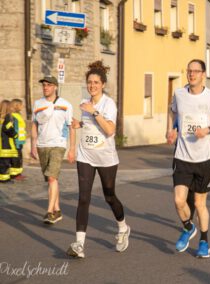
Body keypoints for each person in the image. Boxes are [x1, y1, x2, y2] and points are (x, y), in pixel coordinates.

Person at [66, 61, 130, 259]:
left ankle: (122, 228)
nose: (92, 85)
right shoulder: (85, 103)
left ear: (102, 84)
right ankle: (79, 244)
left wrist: (94, 112)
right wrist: (78, 125)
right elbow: (88, 126)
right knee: (83, 198)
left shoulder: (108, 103)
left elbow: (110, 130)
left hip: (106, 158)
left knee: (109, 195)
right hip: (86, 155)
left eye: (95, 82)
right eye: (89, 82)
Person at [166, 59, 210, 258]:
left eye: (195, 71)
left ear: (203, 74)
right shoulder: (179, 94)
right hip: (182, 156)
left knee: (200, 204)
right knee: (178, 200)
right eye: (189, 71)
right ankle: (188, 227)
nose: (191, 74)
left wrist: (207, 130)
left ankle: (204, 241)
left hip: (204, 157)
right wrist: (171, 129)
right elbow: (172, 111)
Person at [31, 76, 76, 224]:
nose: (45, 88)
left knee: (51, 177)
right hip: (42, 145)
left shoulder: (65, 105)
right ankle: (57, 210)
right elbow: (34, 125)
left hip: (58, 144)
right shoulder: (37, 103)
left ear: (55, 87)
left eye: (49, 85)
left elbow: (71, 127)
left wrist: (72, 149)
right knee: (52, 179)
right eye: (44, 85)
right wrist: (33, 145)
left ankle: (49, 212)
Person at [0, 100, 18, 184]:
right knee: (5, 163)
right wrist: (15, 134)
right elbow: (7, 128)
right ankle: (4, 179)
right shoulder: (7, 118)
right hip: (5, 144)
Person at [10, 99, 27, 180]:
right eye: (21, 104)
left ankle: (17, 174)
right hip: (16, 141)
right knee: (16, 158)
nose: (23, 106)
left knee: (19, 158)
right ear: (16, 106)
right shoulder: (13, 116)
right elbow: (13, 129)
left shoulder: (18, 115)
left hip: (20, 141)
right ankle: (15, 175)